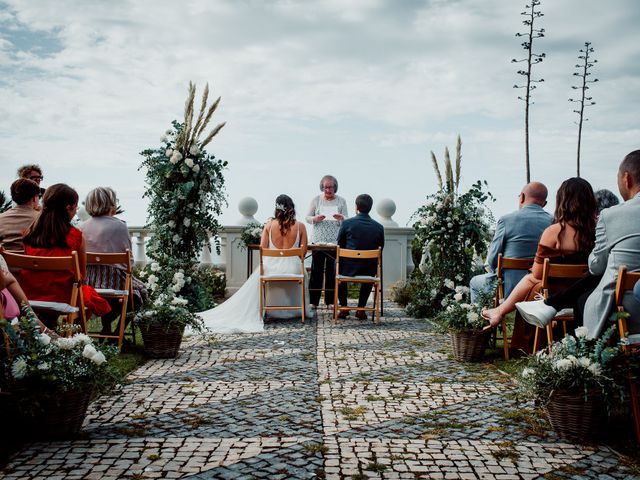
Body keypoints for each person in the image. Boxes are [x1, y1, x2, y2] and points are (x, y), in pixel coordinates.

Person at [517, 151, 640, 338]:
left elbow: (596, 266)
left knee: (591, 288)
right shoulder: (595, 224)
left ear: (627, 179)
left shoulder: (612, 216)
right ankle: (549, 305)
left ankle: (551, 308)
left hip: (626, 306)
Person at [481, 177, 598, 328]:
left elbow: (537, 274)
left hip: (553, 295)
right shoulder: (598, 231)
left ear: (562, 200)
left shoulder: (554, 232)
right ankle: (498, 311)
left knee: (531, 278)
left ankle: (499, 311)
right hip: (586, 292)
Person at [194, 194, 312, 333]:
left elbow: (263, 249)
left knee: (260, 274)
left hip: (271, 269)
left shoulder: (268, 226)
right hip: (293, 269)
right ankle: (297, 311)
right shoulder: (301, 227)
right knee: (301, 271)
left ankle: (269, 310)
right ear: (292, 207)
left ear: (277, 208)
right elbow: (303, 252)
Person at [21, 184, 111, 326]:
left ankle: (51, 329)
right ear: (68, 207)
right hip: (63, 297)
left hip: (30, 295)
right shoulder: (75, 236)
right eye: (75, 207)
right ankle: (73, 333)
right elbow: (81, 274)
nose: (76, 212)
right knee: (88, 295)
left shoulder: (29, 235)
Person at [81, 187, 148, 335]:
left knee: (116, 293)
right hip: (114, 280)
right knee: (140, 292)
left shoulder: (83, 226)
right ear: (110, 204)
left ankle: (108, 324)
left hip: (90, 281)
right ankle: (118, 332)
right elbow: (128, 261)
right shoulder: (120, 225)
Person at [470, 182, 552, 303]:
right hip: (541, 290)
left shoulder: (506, 220)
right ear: (544, 204)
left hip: (509, 290)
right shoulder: (554, 222)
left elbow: (492, 261)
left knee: (475, 282)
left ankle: (479, 320)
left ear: (522, 197)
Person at [336, 194, 385, 320]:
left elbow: (339, 246)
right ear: (370, 207)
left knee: (336, 266)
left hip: (347, 269)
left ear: (356, 207)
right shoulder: (379, 227)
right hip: (368, 270)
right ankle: (361, 309)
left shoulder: (346, 224)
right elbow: (381, 249)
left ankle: (344, 307)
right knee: (372, 266)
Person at [306, 175, 348, 308]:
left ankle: (330, 301)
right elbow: (307, 217)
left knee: (331, 271)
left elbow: (347, 220)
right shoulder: (316, 200)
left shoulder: (341, 201)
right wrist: (315, 218)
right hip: (318, 240)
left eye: (330, 187)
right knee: (316, 270)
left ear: (335, 187)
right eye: (325, 187)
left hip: (334, 241)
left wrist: (342, 217)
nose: (328, 190)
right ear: (322, 187)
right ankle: (313, 301)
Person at [0, 178, 40, 251]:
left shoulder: (1, 217)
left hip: (4, 261)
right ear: (34, 198)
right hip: (32, 261)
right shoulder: (42, 219)